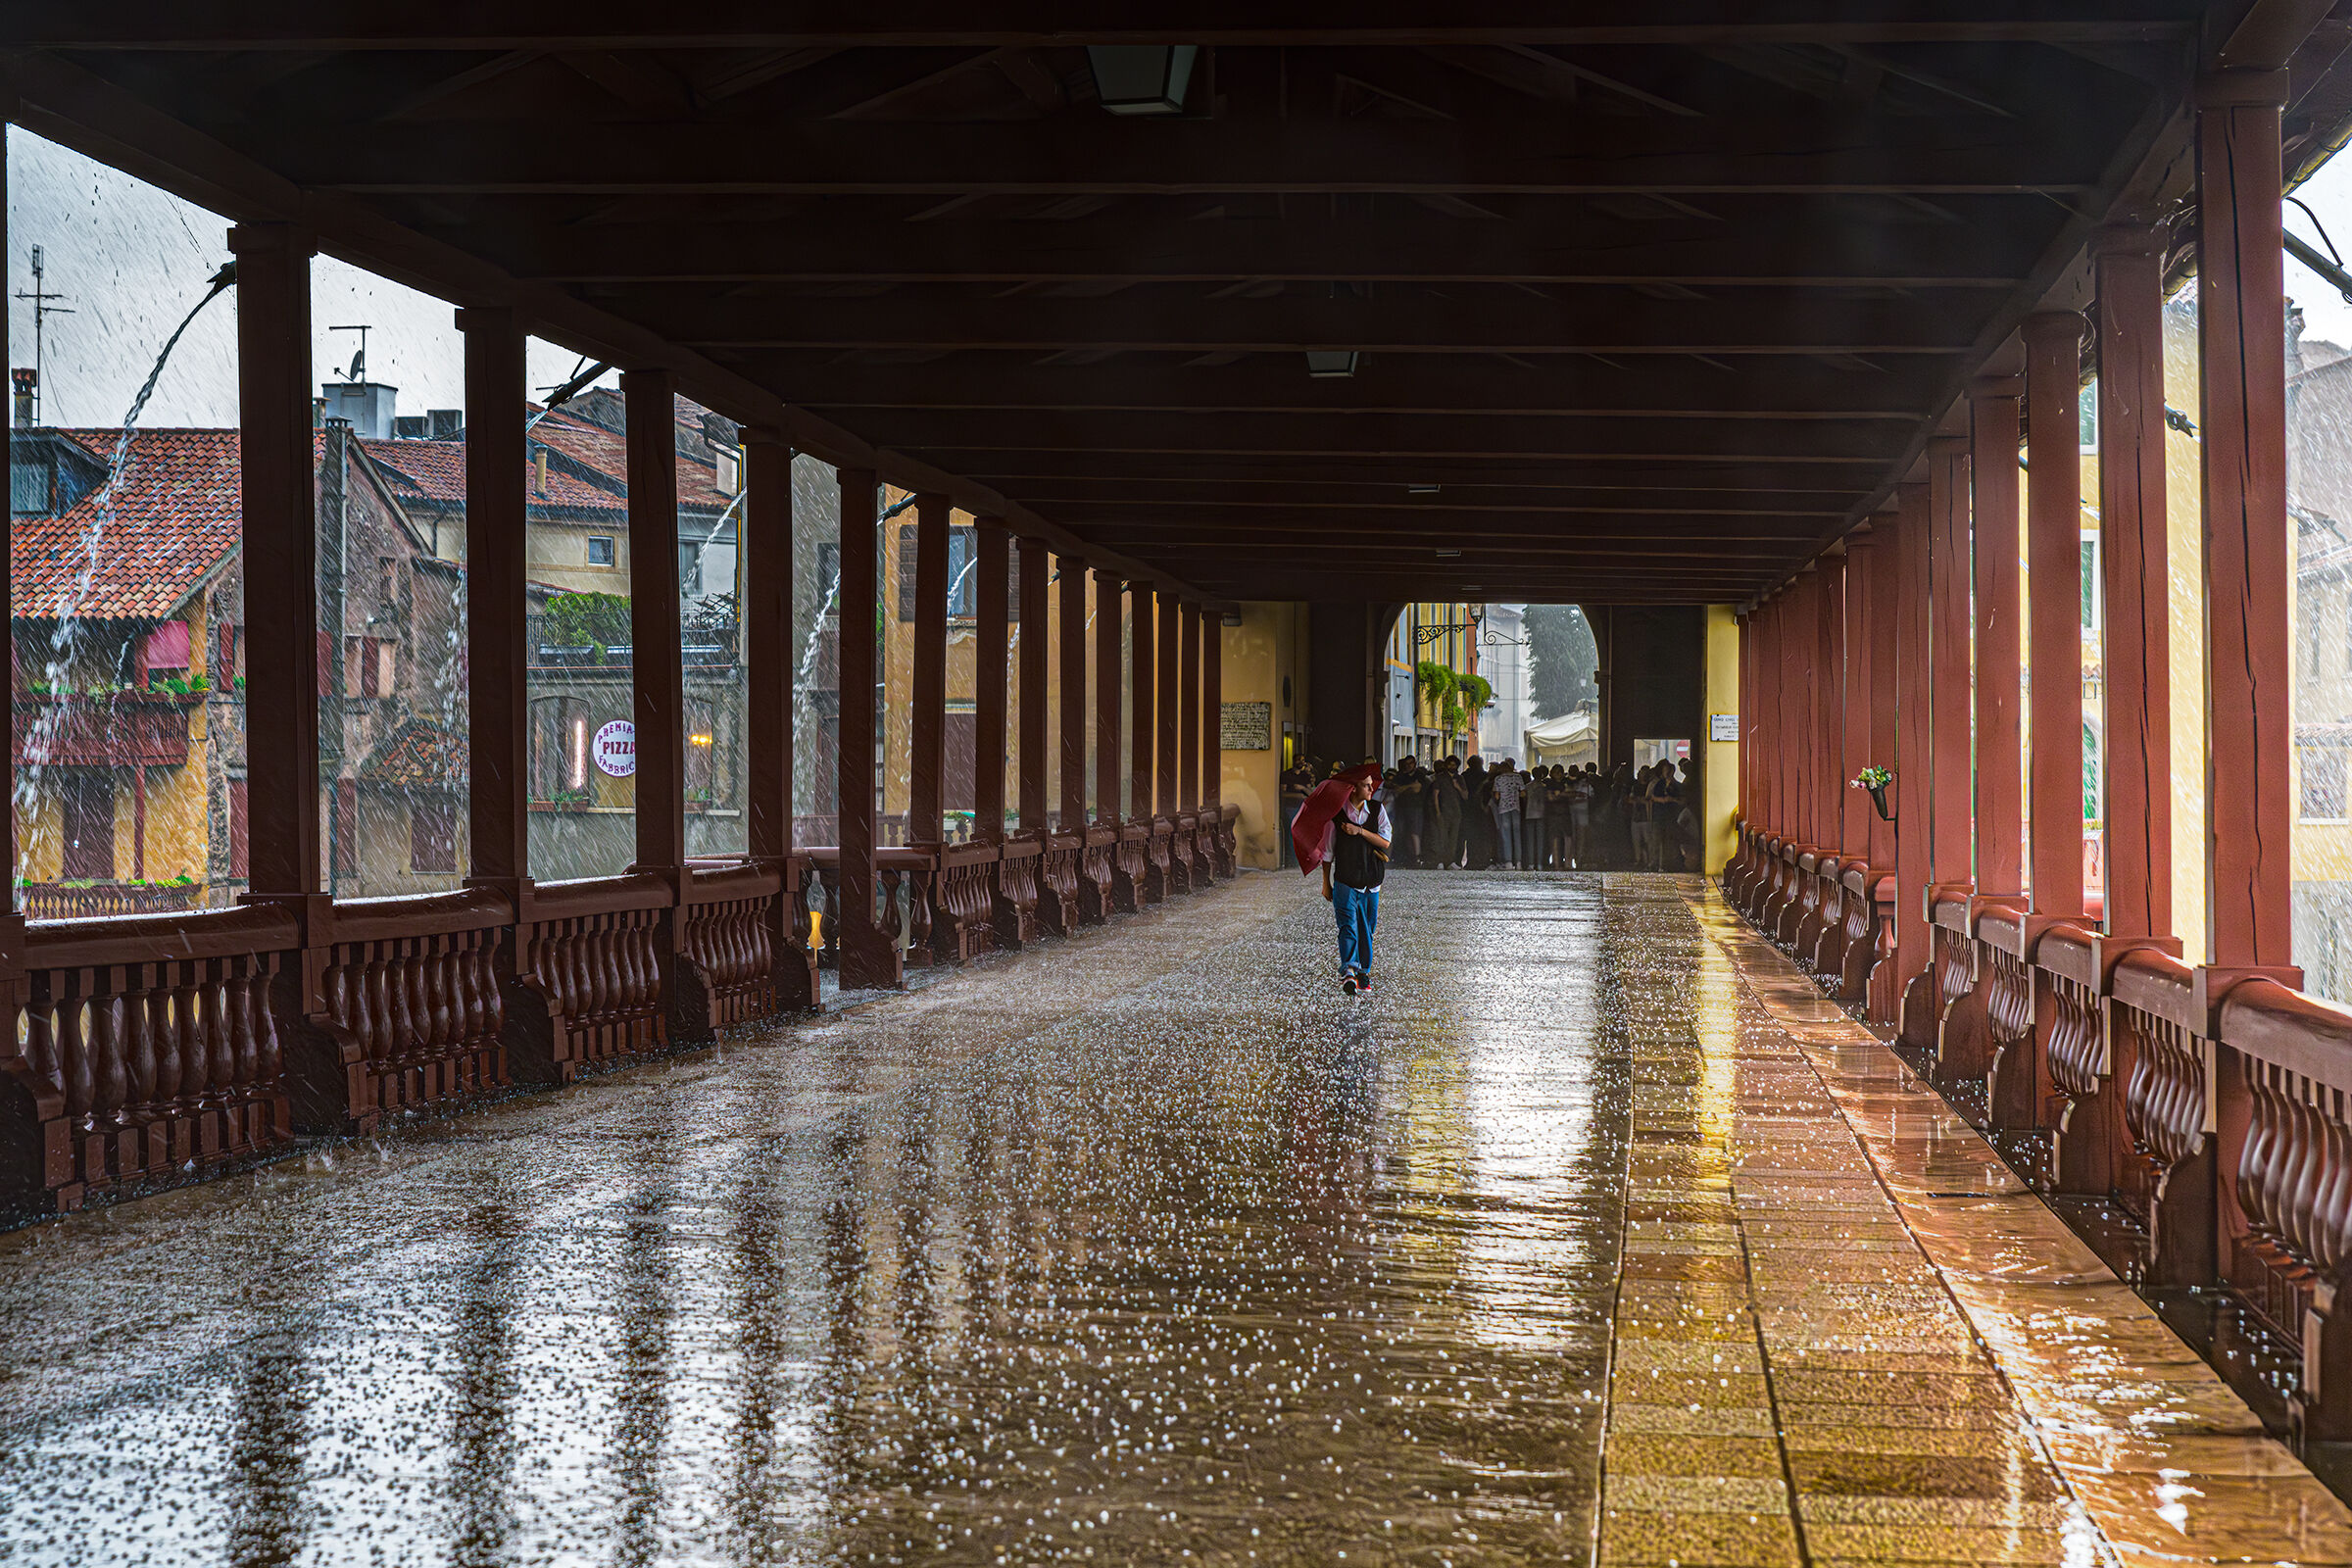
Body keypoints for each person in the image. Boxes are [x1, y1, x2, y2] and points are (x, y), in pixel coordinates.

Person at [1315, 764, 1391, 995]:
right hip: (1346, 879)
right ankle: (1348, 969)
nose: (1371, 788)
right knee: (1347, 925)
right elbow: (1327, 852)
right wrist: (1326, 883)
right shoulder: (1337, 815)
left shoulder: (1377, 810)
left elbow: (1385, 842)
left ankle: (1363, 971)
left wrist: (1359, 831)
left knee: (1368, 927)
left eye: (1371, 784)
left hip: (1371, 879)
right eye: (1366, 785)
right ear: (1353, 788)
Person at [1390, 756, 1427, 867]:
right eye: (1407, 764)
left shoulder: (1420, 775)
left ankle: (1416, 857)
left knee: (1414, 832)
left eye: (1411, 763)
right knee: (1401, 831)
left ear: (1415, 764)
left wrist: (1404, 788)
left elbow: (1418, 788)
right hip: (1402, 808)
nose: (1408, 766)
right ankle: (1404, 857)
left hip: (1416, 807)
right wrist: (1410, 787)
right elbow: (1397, 790)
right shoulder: (1401, 776)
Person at [1490, 758, 1525, 870]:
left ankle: (1508, 862)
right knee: (1517, 835)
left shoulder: (1498, 779)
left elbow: (1496, 796)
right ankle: (1518, 862)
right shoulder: (1518, 777)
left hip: (1503, 809)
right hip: (1516, 808)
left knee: (1506, 836)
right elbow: (1523, 793)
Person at [1430, 756, 1464, 868]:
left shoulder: (1460, 779)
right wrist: (1438, 811)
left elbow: (1466, 795)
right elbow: (1435, 795)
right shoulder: (1440, 778)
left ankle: (1450, 862)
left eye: (1454, 765)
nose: (1451, 767)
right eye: (1450, 764)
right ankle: (1440, 861)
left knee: (1453, 838)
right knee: (1442, 837)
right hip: (1444, 811)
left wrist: (1457, 787)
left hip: (1456, 812)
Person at [1520, 759, 1547, 868]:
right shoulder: (1544, 787)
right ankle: (1539, 863)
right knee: (1540, 841)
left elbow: (1523, 799)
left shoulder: (1527, 786)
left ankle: (1531, 863)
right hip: (1541, 814)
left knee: (1530, 841)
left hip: (1529, 814)